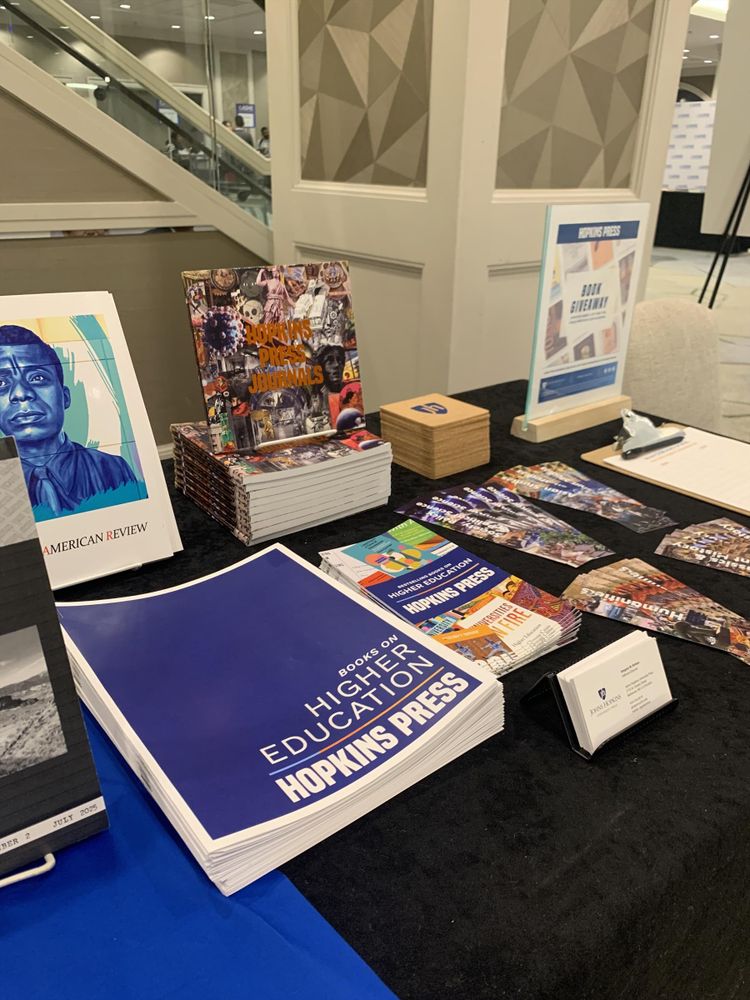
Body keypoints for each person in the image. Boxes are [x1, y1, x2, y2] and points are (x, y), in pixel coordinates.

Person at [0, 325, 137, 515]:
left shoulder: (113, 470)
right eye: (1, 383)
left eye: (38, 377)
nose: (21, 393)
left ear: (65, 397)